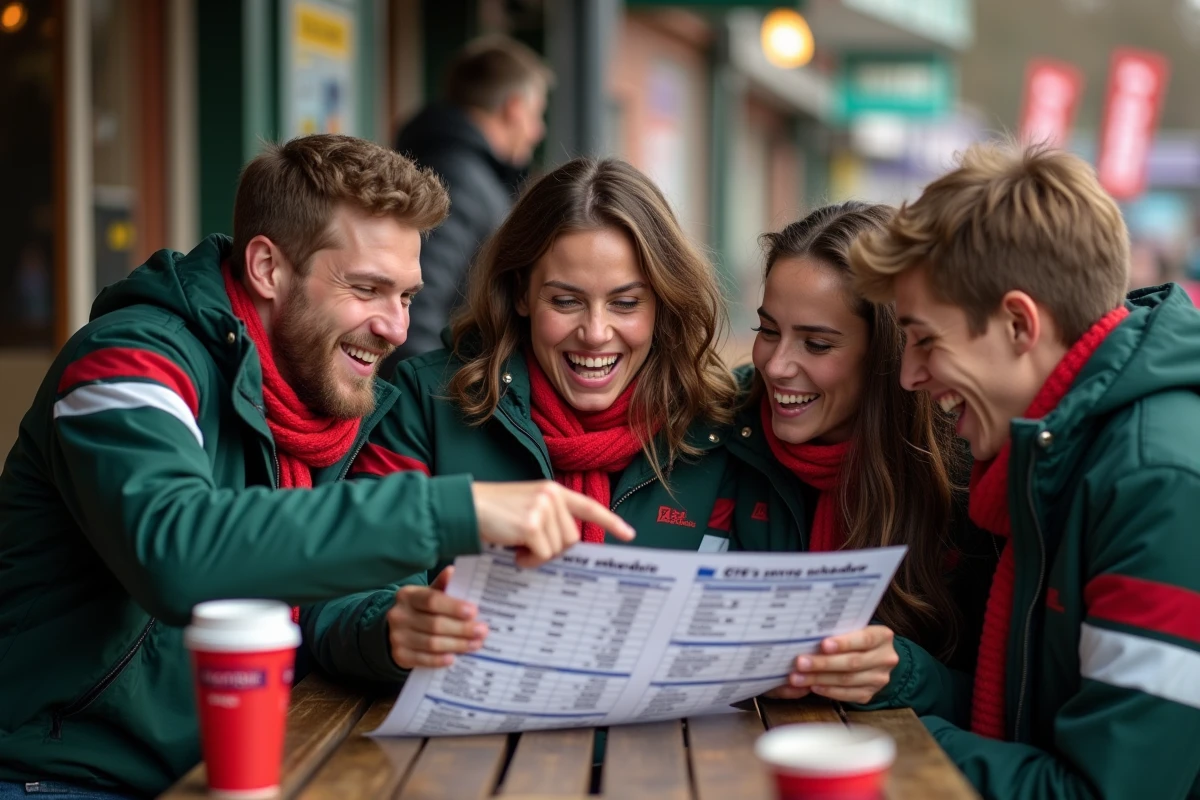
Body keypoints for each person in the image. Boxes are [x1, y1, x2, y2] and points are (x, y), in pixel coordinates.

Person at [0, 134, 631, 800]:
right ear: (269, 268)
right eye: (367, 289)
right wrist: (456, 509)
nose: (393, 327)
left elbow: (320, 608)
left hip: (248, 766)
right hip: (66, 776)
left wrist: (392, 629)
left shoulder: (328, 394)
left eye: (408, 297)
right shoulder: (129, 360)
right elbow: (174, 551)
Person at [850, 142, 1200, 798]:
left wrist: (879, 749)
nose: (908, 374)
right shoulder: (1073, 447)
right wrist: (897, 680)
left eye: (925, 339)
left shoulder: (1160, 486)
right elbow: (1034, 723)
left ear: (1018, 323)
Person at [303, 156, 740, 681]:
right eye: (566, 301)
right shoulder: (429, 400)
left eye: (626, 303)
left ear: (663, 304)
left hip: (671, 747)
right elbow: (339, 597)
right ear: (521, 294)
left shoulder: (714, 422)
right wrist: (393, 629)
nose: (596, 332)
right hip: (465, 748)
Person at [725, 202, 995, 709]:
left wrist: (904, 676)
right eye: (767, 330)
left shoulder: (962, 465)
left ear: (885, 353)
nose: (777, 365)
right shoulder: (721, 432)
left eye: (817, 344)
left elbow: (1000, 702)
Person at [383, 35, 552, 370]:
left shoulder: (447, 165)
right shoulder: (459, 179)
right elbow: (415, 310)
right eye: (536, 115)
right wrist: (434, 409)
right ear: (514, 109)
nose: (538, 132)